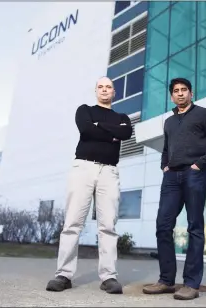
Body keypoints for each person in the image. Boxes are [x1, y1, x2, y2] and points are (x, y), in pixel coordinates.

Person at [143, 78, 206, 300]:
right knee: (163, 225)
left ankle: (191, 284)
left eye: (184, 90)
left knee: (194, 227)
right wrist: (165, 167)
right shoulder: (169, 122)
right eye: (176, 91)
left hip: (194, 175)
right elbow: (165, 149)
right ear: (172, 96)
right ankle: (166, 280)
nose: (180, 94)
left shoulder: (203, 114)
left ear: (191, 93)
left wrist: (199, 164)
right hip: (172, 177)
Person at [46, 76, 132, 294]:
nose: (104, 90)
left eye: (108, 87)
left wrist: (100, 127)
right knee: (73, 223)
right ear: (96, 91)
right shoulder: (84, 110)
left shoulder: (122, 117)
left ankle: (109, 277)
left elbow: (125, 133)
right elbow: (86, 130)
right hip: (83, 168)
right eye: (101, 87)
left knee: (108, 226)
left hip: (109, 172)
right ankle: (63, 275)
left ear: (114, 92)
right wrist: (110, 131)